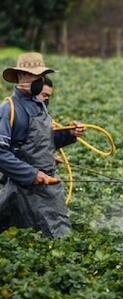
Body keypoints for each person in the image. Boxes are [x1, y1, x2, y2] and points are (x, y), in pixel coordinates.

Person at [0, 52, 84, 238]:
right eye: (34, 76)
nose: (39, 80)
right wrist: (32, 174)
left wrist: (69, 134)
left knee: (54, 236)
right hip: (21, 185)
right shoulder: (9, 109)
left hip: (47, 185)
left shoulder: (40, 105)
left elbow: (42, 140)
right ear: (21, 76)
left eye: (40, 76)